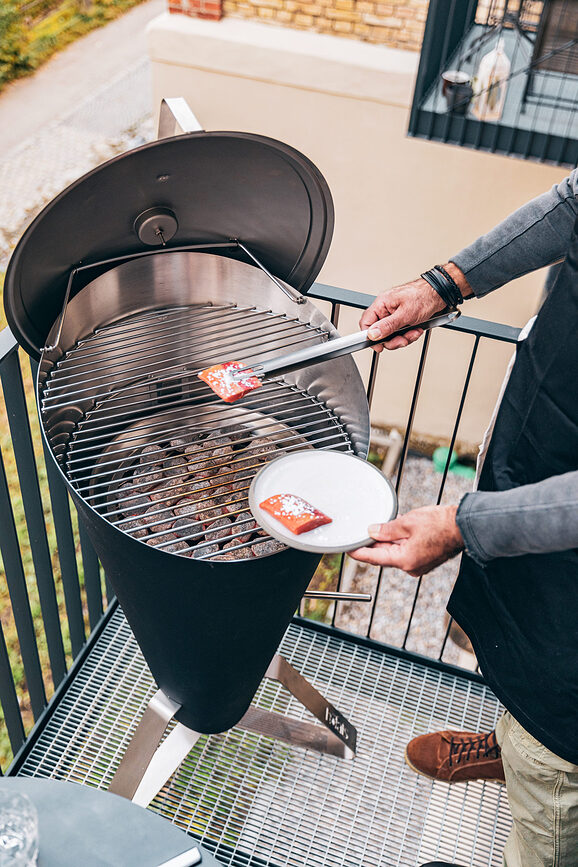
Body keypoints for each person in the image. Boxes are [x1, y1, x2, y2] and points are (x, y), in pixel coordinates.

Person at [350, 170, 578, 867]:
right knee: (515, 650)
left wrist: (464, 525)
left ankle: (547, 776)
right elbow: (573, 202)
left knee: (558, 738)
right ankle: (517, 749)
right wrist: (443, 285)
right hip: (542, 455)